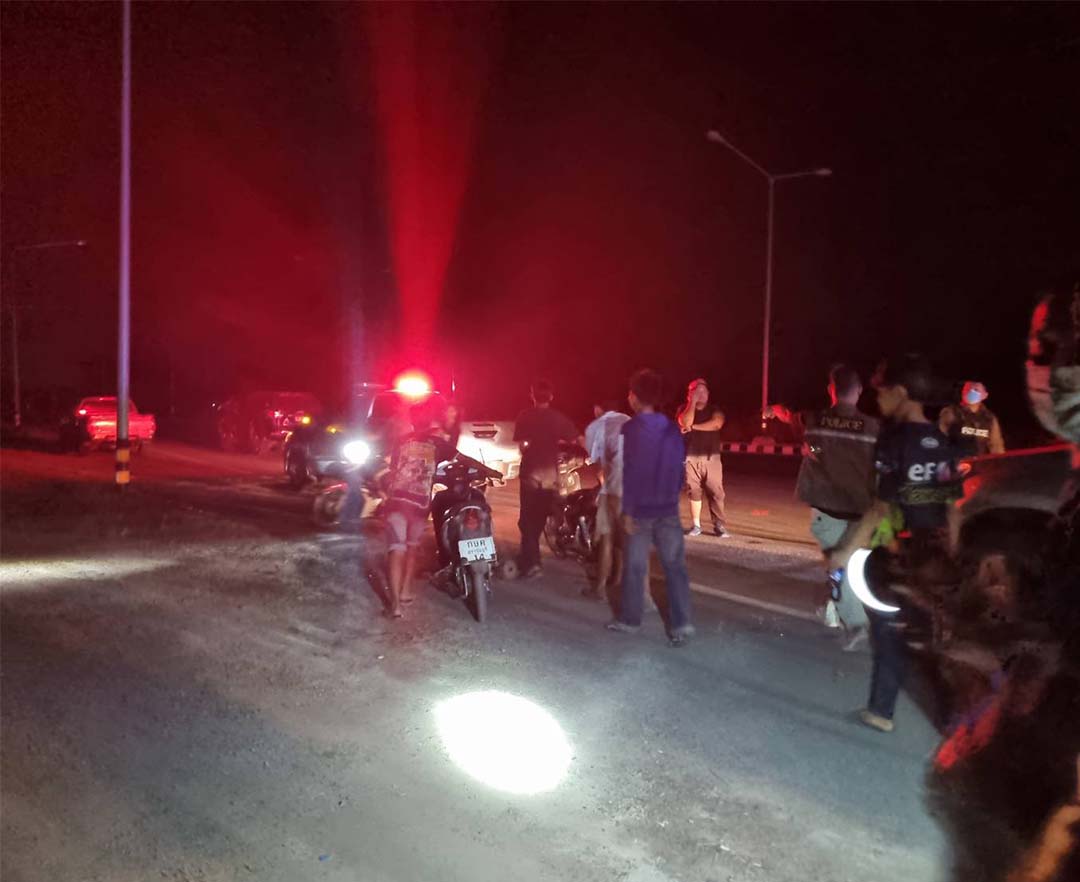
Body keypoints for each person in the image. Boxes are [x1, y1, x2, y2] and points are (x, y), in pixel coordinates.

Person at [829, 354, 960, 733]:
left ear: (900, 392)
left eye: (881, 391)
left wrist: (843, 552)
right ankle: (954, 723)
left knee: (888, 634)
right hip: (933, 556)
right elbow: (953, 507)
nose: (878, 398)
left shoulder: (894, 440)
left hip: (897, 556)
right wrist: (953, 556)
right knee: (930, 642)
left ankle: (881, 711)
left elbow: (879, 507)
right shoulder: (941, 441)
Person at [767, 364, 879, 650]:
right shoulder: (873, 428)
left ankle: (855, 622)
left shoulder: (815, 420)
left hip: (828, 508)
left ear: (831, 390)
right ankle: (838, 605)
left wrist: (815, 451)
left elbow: (797, 428)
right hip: (861, 509)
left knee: (838, 566)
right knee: (856, 562)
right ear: (859, 391)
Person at [607, 369, 694, 646]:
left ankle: (630, 620)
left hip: (641, 511)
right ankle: (681, 625)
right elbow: (679, 468)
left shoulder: (631, 429)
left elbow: (630, 471)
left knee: (634, 567)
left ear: (634, 397)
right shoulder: (672, 428)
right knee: (675, 567)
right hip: (667, 509)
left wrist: (628, 509)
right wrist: (671, 495)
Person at [382, 399, 455, 617]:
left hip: (397, 503)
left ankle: (395, 605)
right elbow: (462, 459)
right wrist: (488, 471)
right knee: (412, 549)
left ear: (412, 421)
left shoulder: (401, 441)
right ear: (430, 420)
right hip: (420, 506)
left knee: (396, 550)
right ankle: (405, 591)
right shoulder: (437, 443)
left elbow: (394, 469)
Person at [513, 380, 580, 579]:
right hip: (550, 475)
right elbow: (575, 439)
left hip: (530, 473)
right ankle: (528, 557)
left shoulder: (525, 416)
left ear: (532, 395)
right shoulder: (558, 418)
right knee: (539, 518)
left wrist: (530, 448)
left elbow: (522, 445)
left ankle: (532, 562)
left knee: (527, 519)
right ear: (551, 397)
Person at [583, 400, 630, 600]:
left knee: (607, 538)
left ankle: (600, 588)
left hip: (614, 489)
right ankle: (618, 580)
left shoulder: (598, 427)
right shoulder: (630, 421)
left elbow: (601, 466)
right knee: (624, 539)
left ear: (598, 409)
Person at [677, 378, 729, 537]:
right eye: (696, 391)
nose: (701, 394)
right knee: (693, 491)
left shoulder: (715, 409)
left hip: (711, 457)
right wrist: (692, 403)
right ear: (689, 394)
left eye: (704, 391)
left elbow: (716, 424)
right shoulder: (683, 409)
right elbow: (685, 422)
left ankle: (719, 525)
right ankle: (696, 525)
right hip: (691, 457)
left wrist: (693, 427)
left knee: (716, 492)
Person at [939, 381, 1006, 456]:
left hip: (978, 461)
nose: (972, 392)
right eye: (969, 389)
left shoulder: (989, 418)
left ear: (985, 395)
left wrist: (1000, 460)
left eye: (976, 390)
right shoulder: (951, 413)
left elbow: (996, 445)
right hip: (955, 460)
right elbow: (940, 439)